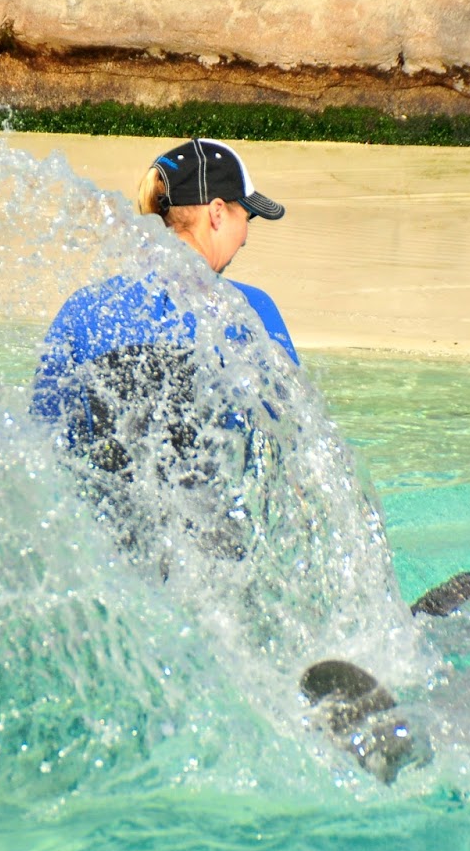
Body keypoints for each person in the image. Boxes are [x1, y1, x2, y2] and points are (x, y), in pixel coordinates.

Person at [30, 139, 297, 558]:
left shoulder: (83, 309)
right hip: (212, 554)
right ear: (217, 213)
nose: (245, 238)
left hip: (113, 553)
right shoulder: (251, 312)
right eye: (247, 217)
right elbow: (289, 449)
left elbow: (45, 444)